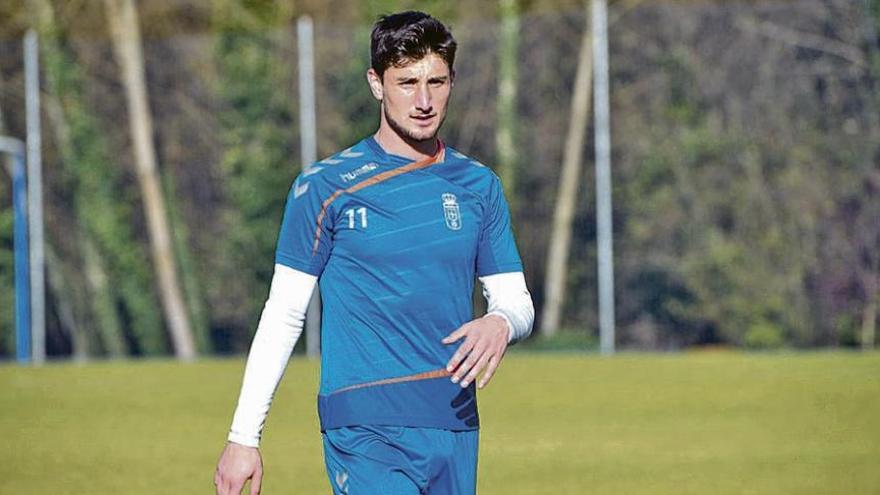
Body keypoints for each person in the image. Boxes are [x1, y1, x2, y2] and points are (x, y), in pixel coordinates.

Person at [214, 11, 534, 495]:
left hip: (454, 420)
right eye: (407, 82)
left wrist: (501, 322)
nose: (424, 100)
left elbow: (517, 301)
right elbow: (283, 314)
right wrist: (243, 437)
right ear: (376, 83)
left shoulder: (479, 186)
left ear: (452, 81)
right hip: (364, 426)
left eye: (436, 82)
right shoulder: (323, 189)